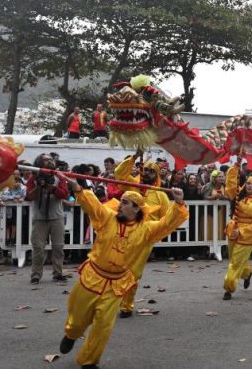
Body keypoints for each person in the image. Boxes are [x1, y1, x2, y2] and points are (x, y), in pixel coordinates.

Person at [58, 173, 188, 369]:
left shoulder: (146, 230)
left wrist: (178, 204)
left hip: (116, 284)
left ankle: (89, 360)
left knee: (104, 324)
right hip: (93, 276)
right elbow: (92, 205)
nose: (120, 204)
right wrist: (77, 188)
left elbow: (166, 224)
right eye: (121, 201)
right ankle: (71, 334)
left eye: (125, 202)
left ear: (136, 208)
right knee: (77, 319)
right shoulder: (107, 218)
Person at [113, 150, 170, 317]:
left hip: (144, 238)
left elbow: (165, 220)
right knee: (116, 267)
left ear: (157, 175)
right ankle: (111, 298)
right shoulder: (132, 186)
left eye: (152, 171)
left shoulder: (160, 195)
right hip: (124, 233)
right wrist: (135, 157)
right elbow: (119, 174)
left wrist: (154, 235)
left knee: (134, 272)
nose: (148, 173)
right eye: (146, 170)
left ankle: (126, 305)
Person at [223, 163, 252, 300]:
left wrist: (242, 231)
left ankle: (228, 288)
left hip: (246, 236)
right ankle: (247, 273)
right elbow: (230, 186)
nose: (249, 186)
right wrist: (234, 169)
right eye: (248, 183)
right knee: (233, 259)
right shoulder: (237, 196)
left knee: (235, 262)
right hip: (233, 231)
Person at [26, 154, 69, 284]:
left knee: (58, 247)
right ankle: (36, 275)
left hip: (56, 216)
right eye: (46, 159)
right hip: (39, 218)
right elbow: (29, 197)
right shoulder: (33, 177)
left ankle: (58, 273)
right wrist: (38, 187)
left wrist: (53, 188)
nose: (49, 161)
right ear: (39, 162)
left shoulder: (59, 176)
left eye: (51, 159)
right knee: (38, 247)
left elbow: (64, 194)